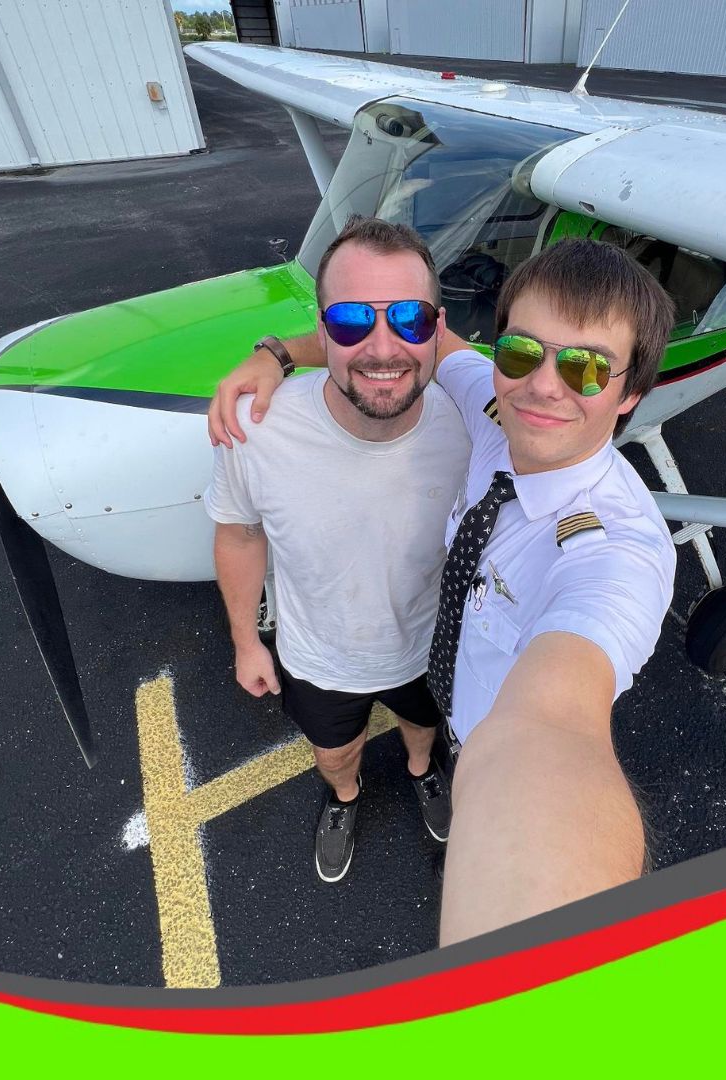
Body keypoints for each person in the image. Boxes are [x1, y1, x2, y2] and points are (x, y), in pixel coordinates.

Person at [210, 234, 677, 942]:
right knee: (360, 749)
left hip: (484, 735)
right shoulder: (493, 404)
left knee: (430, 740)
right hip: (419, 673)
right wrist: (275, 353)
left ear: (630, 394)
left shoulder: (616, 552)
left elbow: (555, 720)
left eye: (586, 368)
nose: (544, 385)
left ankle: (428, 771)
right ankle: (372, 786)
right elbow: (397, 342)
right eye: (521, 352)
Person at [204, 216, 471, 883]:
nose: (382, 346)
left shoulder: (475, 423)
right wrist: (246, 641)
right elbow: (238, 532)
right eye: (351, 320)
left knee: (422, 730)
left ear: (438, 329)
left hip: (428, 644)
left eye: (409, 317)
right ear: (322, 332)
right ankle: (345, 797)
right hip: (317, 658)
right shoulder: (258, 427)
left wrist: (277, 350)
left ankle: (422, 771)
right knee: (334, 756)